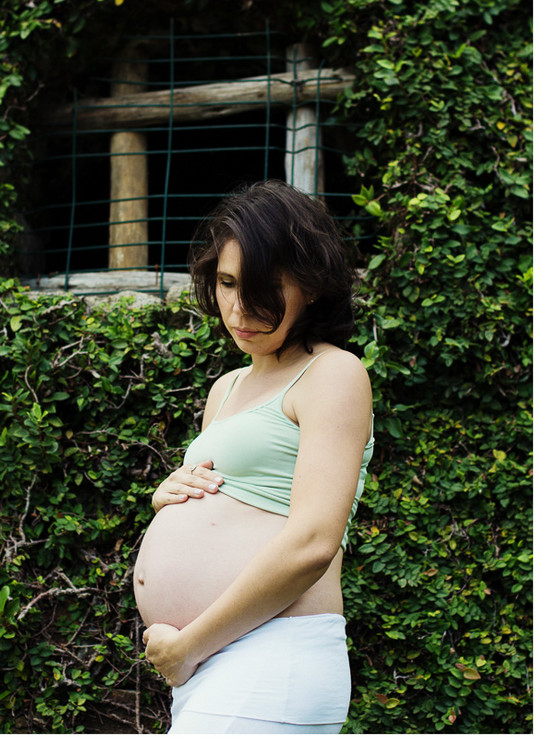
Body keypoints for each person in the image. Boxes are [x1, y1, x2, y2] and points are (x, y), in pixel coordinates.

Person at [132, 180, 374, 734]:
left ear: (311, 286)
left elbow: (313, 542)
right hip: (217, 663)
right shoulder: (228, 387)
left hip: (270, 654)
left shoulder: (333, 373)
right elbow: (241, 497)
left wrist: (188, 647)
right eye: (226, 282)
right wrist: (168, 497)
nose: (239, 308)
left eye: (264, 286)